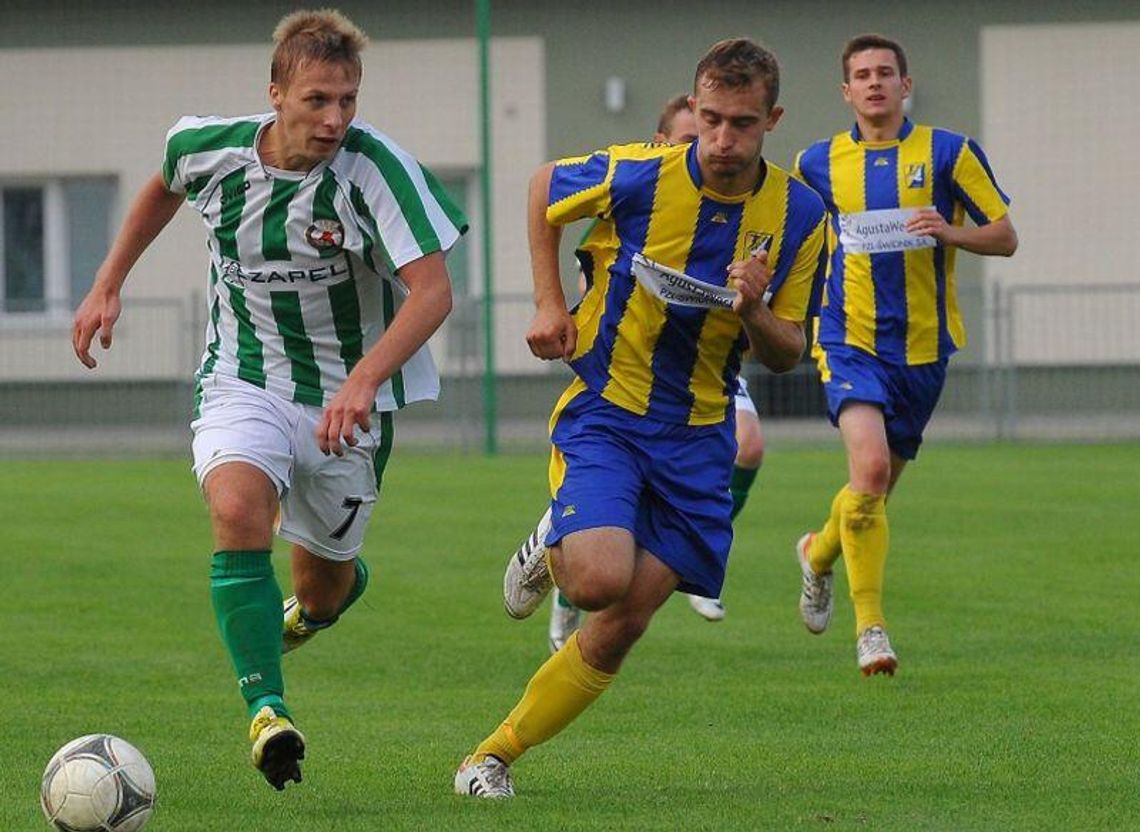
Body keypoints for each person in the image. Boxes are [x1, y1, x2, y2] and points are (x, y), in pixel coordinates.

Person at [71, 9, 465, 790]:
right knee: (237, 511)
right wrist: (108, 281)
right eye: (317, 100)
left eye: (348, 100)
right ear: (275, 92)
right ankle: (267, 711)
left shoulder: (375, 170)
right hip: (242, 377)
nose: (334, 119)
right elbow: (161, 186)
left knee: (324, 586)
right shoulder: (208, 149)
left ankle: (317, 607)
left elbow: (432, 293)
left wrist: (364, 380)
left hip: (346, 405)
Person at [454, 38, 826, 798]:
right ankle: (553, 538)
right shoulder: (639, 174)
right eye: (711, 120)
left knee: (623, 624)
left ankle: (489, 758)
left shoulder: (800, 214)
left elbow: (789, 354)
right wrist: (549, 302)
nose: (723, 141)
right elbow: (541, 187)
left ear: (773, 120)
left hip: (699, 438)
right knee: (595, 582)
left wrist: (753, 307)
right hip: (609, 412)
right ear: (692, 106)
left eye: (742, 125)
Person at [792, 33, 1017, 676]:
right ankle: (872, 631)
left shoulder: (950, 152)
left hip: (923, 350)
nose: (874, 83)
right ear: (846, 91)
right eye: (861, 75)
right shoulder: (816, 162)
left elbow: (1005, 237)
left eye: (885, 72)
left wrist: (952, 232)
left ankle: (816, 553)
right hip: (847, 338)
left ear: (905, 83)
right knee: (866, 475)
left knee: (874, 493)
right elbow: (789, 231)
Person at [547, 92, 766, 652]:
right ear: (662, 142)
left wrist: (753, 308)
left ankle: (687, 561)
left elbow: (773, 336)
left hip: (707, 372)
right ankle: (564, 556)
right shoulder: (635, 193)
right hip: (628, 372)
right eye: (689, 138)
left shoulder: (758, 207)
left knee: (750, 446)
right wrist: (562, 312)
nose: (709, 146)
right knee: (605, 553)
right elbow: (588, 268)